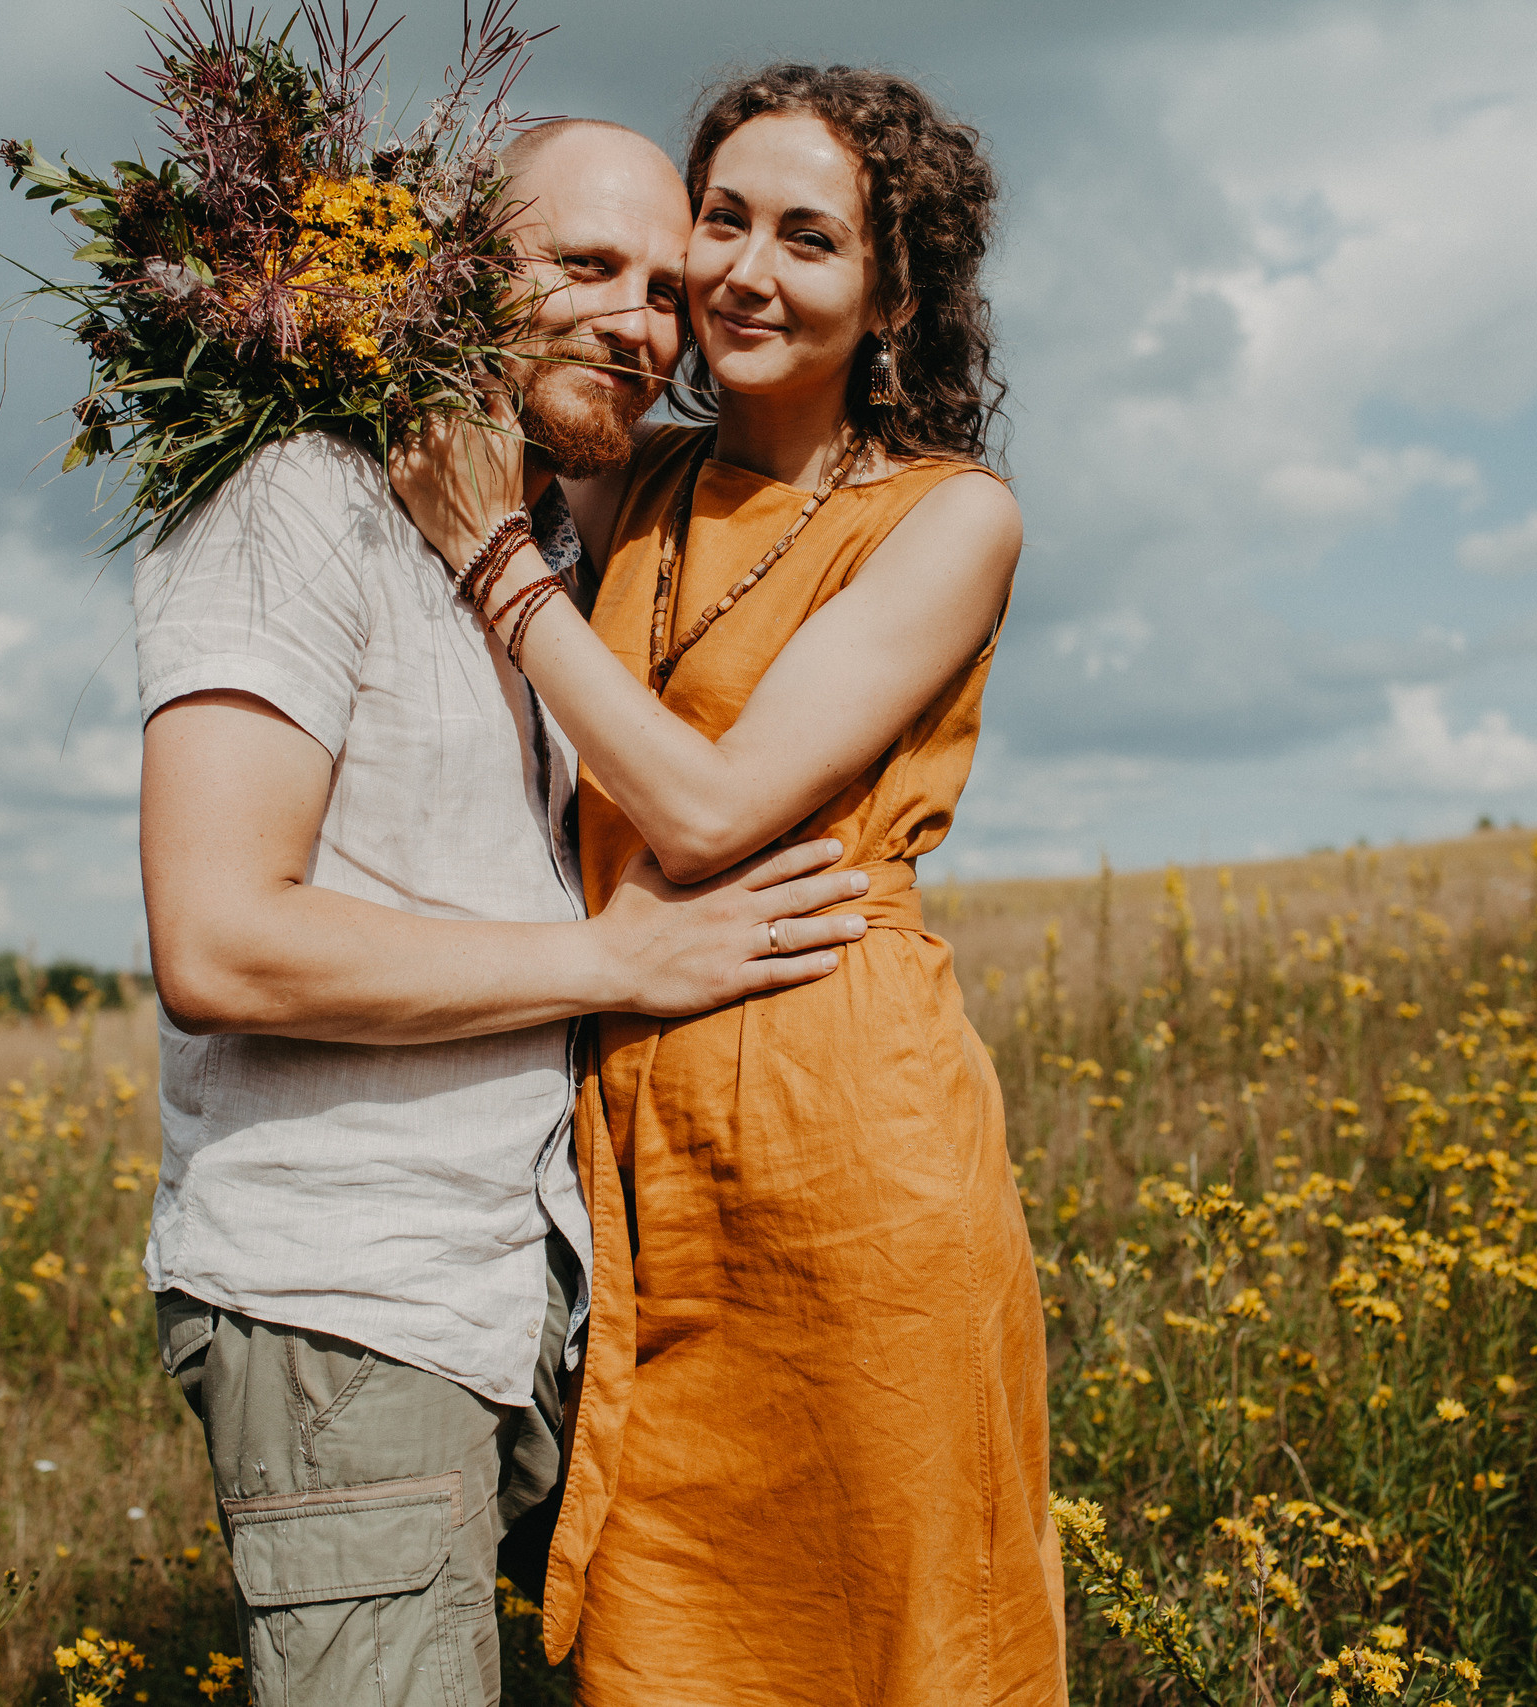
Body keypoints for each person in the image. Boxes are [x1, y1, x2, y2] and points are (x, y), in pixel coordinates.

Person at [135, 119, 869, 1707]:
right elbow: (217, 940)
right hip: (351, 1298)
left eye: (665, 292)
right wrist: (610, 965)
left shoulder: (542, 548)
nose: (639, 324)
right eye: (585, 267)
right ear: (458, 271)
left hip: (526, 1290)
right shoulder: (294, 505)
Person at [392, 63, 1066, 1707]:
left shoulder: (949, 519)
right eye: (724, 221)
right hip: (638, 1134)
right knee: (667, 1638)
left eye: (810, 239)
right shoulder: (638, 472)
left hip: (847, 1132)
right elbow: (462, 391)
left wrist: (495, 566)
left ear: (893, 294)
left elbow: (705, 812)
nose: (747, 273)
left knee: (892, 1619)